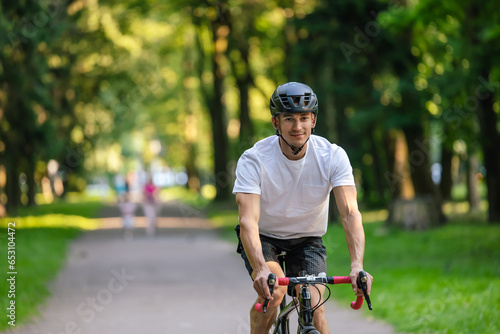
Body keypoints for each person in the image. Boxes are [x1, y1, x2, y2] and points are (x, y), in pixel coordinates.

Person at [233, 82, 373, 334]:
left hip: (308, 240)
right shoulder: (254, 159)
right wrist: (262, 270)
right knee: (274, 294)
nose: (297, 127)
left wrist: (357, 265)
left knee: (315, 306)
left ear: (313, 120)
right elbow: (248, 222)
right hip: (264, 237)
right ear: (276, 123)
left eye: (303, 118)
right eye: (289, 118)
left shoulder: (332, 156)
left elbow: (350, 213)